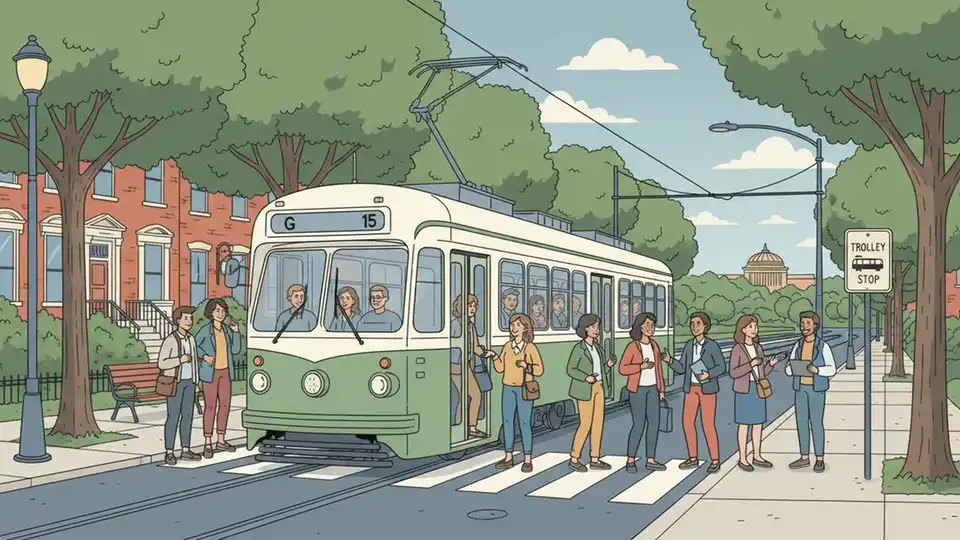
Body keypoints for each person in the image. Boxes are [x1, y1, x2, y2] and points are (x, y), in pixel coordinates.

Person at [663, 312, 725, 473]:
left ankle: (715, 459)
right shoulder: (689, 346)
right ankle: (692, 457)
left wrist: (708, 374)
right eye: (692, 323)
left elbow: (722, 367)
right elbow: (682, 368)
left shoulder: (712, 346)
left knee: (707, 425)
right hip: (691, 388)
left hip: (707, 389)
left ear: (705, 326)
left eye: (698, 323)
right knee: (687, 423)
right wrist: (670, 361)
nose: (694, 327)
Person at [785, 311, 837, 473]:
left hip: (816, 390)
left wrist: (816, 370)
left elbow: (832, 369)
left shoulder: (823, 346)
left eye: (808, 323)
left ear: (815, 325)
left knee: (816, 422)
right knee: (801, 423)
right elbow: (788, 368)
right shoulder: (798, 345)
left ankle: (819, 459)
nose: (804, 327)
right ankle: (804, 457)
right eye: (802, 323)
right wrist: (793, 370)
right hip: (800, 388)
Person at [491, 313, 543, 473]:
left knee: (525, 423)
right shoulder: (507, 346)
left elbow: (539, 370)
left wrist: (526, 365)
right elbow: (500, 368)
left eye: (518, 325)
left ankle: (527, 459)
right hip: (508, 388)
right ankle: (508, 456)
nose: (514, 328)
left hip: (524, 388)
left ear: (525, 328)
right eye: (512, 325)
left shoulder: (530, 347)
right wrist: (494, 357)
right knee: (507, 422)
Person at [729, 314, 780, 472]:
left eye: (755, 326)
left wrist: (770, 364)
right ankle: (743, 458)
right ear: (743, 329)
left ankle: (757, 455)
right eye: (750, 326)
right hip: (744, 390)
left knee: (758, 424)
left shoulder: (758, 348)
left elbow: (761, 371)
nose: (754, 330)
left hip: (758, 388)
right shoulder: (737, 348)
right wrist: (750, 364)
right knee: (744, 424)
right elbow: (733, 372)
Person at [566, 314, 616, 472]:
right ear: (585, 329)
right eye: (593, 327)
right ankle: (574, 458)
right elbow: (570, 369)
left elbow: (600, 369)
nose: (597, 330)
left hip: (598, 386)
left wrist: (608, 365)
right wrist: (585, 377)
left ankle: (595, 458)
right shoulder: (578, 348)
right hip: (585, 389)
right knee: (585, 423)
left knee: (598, 424)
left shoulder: (598, 348)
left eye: (597, 327)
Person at [618, 312, 667, 473]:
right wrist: (640, 366)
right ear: (639, 327)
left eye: (652, 325)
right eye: (646, 324)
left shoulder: (654, 346)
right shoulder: (633, 346)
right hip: (637, 390)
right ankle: (630, 460)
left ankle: (651, 459)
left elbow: (659, 370)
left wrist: (661, 390)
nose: (650, 328)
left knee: (654, 424)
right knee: (638, 424)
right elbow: (622, 368)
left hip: (653, 389)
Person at [196, 298, 242, 458]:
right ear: (211, 313)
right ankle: (207, 442)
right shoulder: (205, 331)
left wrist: (236, 332)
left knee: (225, 406)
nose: (220, 314)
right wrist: (204, 356)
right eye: (217, 311)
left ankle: (221, 439)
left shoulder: (227, 330)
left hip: (225, 372)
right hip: (210, 373)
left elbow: (236, 350)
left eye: (222, 311)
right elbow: (195, 346)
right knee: (210, 407)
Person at [158, 306, 201, 465]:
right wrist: (180, 359)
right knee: (173, 416)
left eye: (190, 318)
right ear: (178, 321)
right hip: (175, 383)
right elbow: (161, 363)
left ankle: (185, 448)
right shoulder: (170, 340)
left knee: (188, 416)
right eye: (186, 318)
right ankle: (169, 451)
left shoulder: (191, 339)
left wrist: (196, 381)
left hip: (189, 382)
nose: (189, 322)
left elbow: (195, 362)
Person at [452, 294, 488, 439]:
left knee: (468, 395)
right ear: (461, 306)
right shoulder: (455, 325)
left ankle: (465, 425)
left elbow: (476, 347)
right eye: (469, 306)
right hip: (456, 367)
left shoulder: (469, 325)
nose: (473, 309)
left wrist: (488, 354)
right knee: (475, 395)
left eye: (474, 306)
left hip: (465, 366)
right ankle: (470, 427)